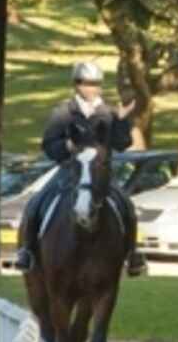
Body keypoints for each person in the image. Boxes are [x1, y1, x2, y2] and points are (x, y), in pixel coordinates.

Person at [15, 60, 145, 275]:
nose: (91, 89)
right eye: (86, 84)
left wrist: (122, 120)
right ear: (76, 85)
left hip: (100, 173)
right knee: (37, 201)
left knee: (126, 204)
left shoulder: (109, 112)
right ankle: (27, 251)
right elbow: (48, 145)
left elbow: (122, 144)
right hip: (69, 170)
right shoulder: (63, 112)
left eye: (95, 84)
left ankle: (132, 254)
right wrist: (66, 145)